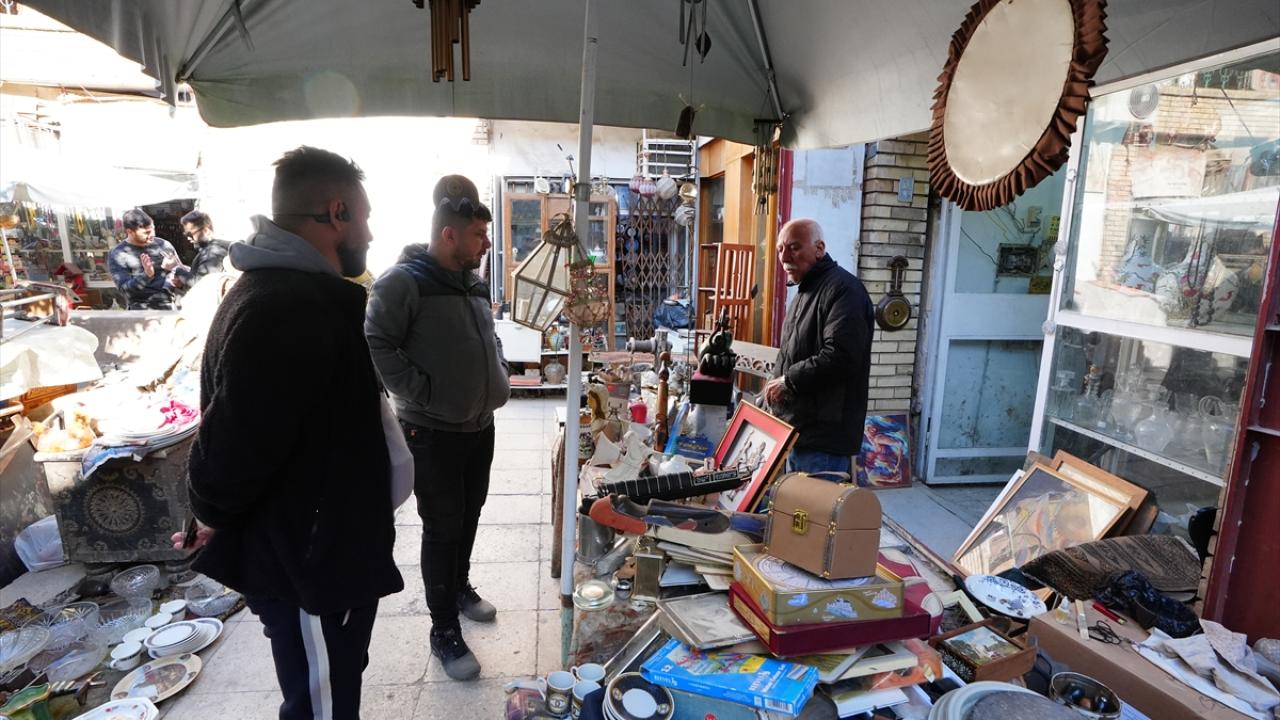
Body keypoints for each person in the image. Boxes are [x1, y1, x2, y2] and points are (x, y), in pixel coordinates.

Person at [180, 146, 402, 719]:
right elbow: (232, 447)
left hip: (319, 554)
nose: (370, 233)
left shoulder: (284, 294)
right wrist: (210, 511)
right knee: (321, 706)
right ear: (336, 213)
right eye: (364, 217)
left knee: (332, 688)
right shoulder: (288, 309)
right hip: (310, 563)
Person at [365, 174, 510, 681]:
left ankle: (460, 586)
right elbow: (375, 343)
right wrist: (421, 393)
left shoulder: (471, 282)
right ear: (449, 234)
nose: (486, 244)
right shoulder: (403, 282)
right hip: (432, 433)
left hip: (479, 427)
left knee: (469, 516)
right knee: (443, 527)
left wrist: (499, 369)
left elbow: (488, 338)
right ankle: (443, 627)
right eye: (478, 235)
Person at [764, 218, 875, 478]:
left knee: (815, 504)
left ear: (819, 248)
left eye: (794, 247)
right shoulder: (806, 289)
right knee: (794, 503)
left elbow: (840, 356)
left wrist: (788, 381)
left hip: (823, 439)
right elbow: (793, 352)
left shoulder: (844, 290)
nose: (784, 257)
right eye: (780, 249)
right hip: (799, 432)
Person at [107, 208, 189, 309]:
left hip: (170, 305)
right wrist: (146, 275)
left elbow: (183, 277)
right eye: (146, 232)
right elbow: (125, 291)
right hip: (141, 309)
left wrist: (177, 273)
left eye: (153, 229)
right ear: (130, 232)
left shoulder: (164, 245)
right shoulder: (118, 253)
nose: (152, 235)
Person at [180, 210, 232, 282]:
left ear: (206, 230)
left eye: (190, 234)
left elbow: (204, 283)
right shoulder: (209, 249)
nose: (188, 238)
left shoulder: (213, 252)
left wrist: (179, 272)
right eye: (186, 235)